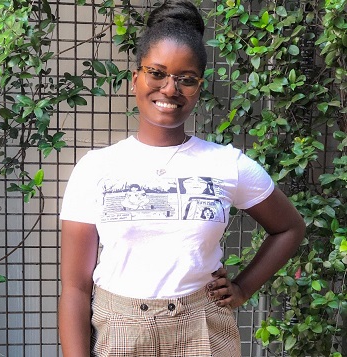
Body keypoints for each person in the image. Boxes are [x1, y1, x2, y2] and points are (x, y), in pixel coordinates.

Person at [58, 0, 306, 356]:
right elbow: (76, 288)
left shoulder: (228, 165)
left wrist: (243, 288)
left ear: (198, 88)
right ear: (136, 79)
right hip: (120, 332)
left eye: (185, 79)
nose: (170, 88)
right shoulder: (95, 168)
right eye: (156, 73)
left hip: (203, 328)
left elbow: (289, 228)